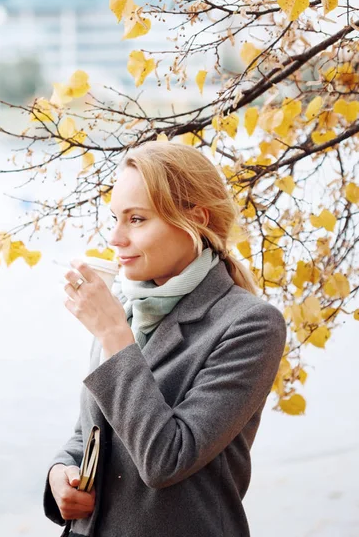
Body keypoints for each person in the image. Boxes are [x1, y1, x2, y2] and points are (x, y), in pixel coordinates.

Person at [43, 141, 287, 537]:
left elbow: (168, 459)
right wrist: (60, 473)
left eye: (136, 219)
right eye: (114, 218)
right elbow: (90, 430)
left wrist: (112, 334)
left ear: (195, 221)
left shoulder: (251, 324)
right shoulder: (124, 306)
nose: (115, 237)